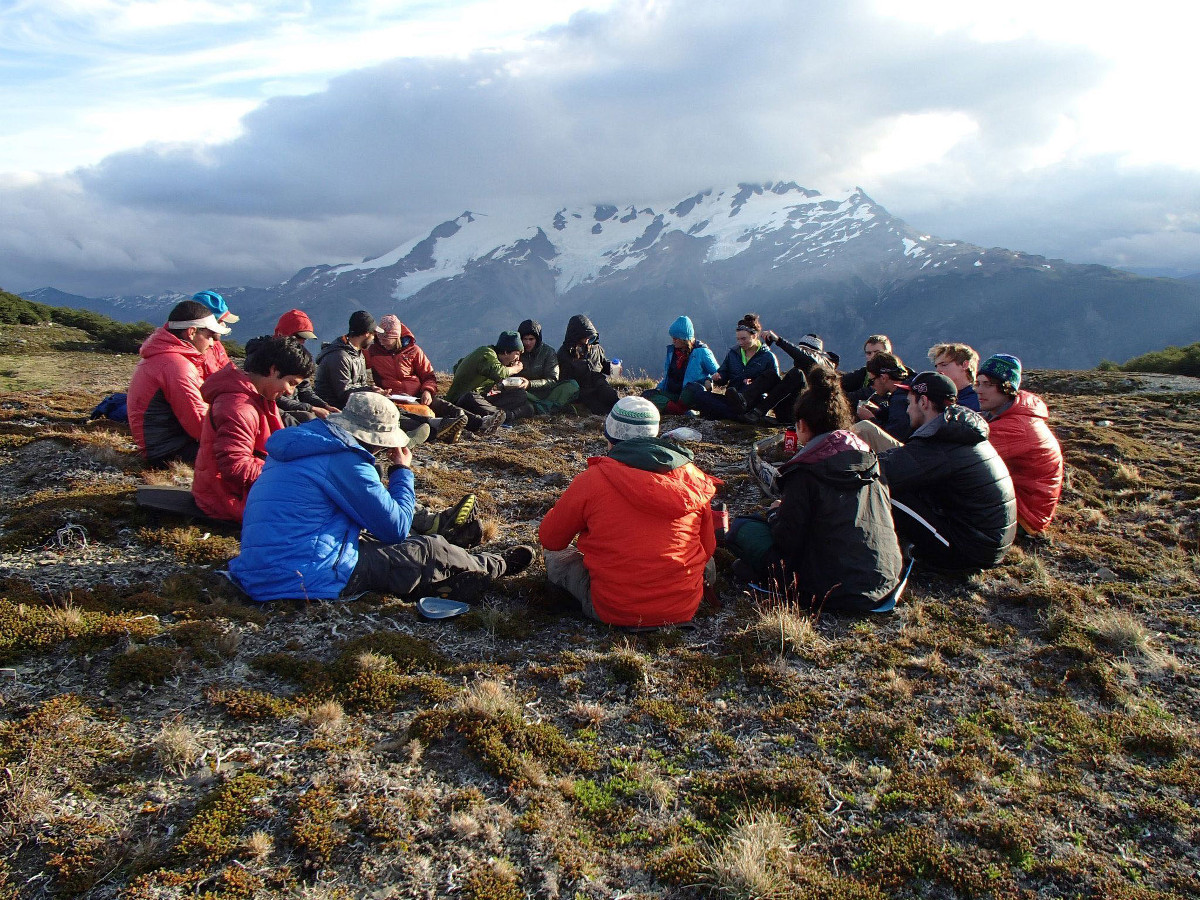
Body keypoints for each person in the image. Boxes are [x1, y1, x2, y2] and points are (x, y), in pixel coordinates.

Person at [228, 392, 534, 602]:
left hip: (262, 565)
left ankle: (452, 563)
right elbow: (395, 528)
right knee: (426, 548)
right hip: (305, 575)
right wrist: (401, 471)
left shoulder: (304, 445)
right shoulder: (344, 461)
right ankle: (493, 565)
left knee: (398, 544)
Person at [726, 369, 903, 613]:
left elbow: (787, 541)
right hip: (885, 580)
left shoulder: (806, 471)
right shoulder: (870, 459)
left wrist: (776, 513)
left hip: (828, 588)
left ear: (802, 425)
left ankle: (761, 574)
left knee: (743, 528)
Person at [538, 396, 719, 627]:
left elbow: (551, 539)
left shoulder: (592, 480)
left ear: (610, 436)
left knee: (555, 558)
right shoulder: (691, 476)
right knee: (706, 560)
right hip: (682, 609)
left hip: (613, 610)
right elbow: (708, 547)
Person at [878, 372, 1016, 571]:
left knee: (883, 490)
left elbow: (883, 471)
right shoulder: (956, 430)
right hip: (987, 542)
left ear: (924, 402)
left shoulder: (940, 441)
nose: (907, 410)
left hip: (971, 551)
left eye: (909, 403)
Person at [192, 336, 315, 523]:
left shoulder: (259, 396)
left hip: (235, 489)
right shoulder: (239, 407)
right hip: (226, 497)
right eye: (291, 382)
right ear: (274, 370)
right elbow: (236, 467)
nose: (290, 392)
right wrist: (288, 474)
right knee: (316, 508)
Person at [127, 299, 229, 466]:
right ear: (191, 332)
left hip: (162, 445)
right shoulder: (176, 365)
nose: (212, 343)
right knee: (249, 456)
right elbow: (199, 425)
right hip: (169, 451)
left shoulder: (165, 357)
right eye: (209, 336)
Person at [974, 354, 1063, 536]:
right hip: (1020, 505)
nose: (979, 390)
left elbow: (961, 455)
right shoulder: (1007, 415)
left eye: (988, 385)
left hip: (1024, 516)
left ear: (1007, 388)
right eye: (978, 383)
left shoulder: (1017, 427)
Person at [366, 315, 471, 443]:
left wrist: (427, 391)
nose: (382, 342)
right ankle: (444, 429)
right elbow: (357, 363)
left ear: (396, 337)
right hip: (393, 397)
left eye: (387, 339)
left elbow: (428, 375)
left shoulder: (413, 351)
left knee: (439, 404)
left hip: (416, 394)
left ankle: (474, 422)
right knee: (420, 412)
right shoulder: (373, 351)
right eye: (380, 338)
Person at [244, 309, 336, 426]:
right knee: (308, 419)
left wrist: (324, 406)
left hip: (295, 406)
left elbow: (305, 389)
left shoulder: (296, 357)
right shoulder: (261, 357)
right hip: (280, 410)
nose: (302, 342)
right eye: (299, 337)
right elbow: (273, 397)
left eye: (305, 338)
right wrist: (310, 408)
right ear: (282, 334)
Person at [685, 313, 779, 421]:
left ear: (754, 336)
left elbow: (774, 386)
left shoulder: (768, 357)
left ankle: (737, 415)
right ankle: (740, 417)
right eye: (738, 339)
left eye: (743, 339)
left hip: (754, 402)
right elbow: (723, 376)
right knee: (700, 396)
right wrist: (718, 378)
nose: (740, 342)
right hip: (732, 399)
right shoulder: (733, 354)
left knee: (712, 408)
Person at [745, 331, 839, 423]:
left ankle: (758, 412)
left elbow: (806, 357)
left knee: (797, 374)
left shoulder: (823, 363)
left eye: (805, 351)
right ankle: (744, 402)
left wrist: (778, 340)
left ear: (815, 353)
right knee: (772, 375)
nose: (800, 354)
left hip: (801, 413)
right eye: (801, 349)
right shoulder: (801, 369)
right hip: (787, 408)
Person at [446, 331, 530, 428]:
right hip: (462, 400)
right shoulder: (486, 354)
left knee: (519, 393)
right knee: (470, 397)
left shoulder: (497, 360)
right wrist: (515, 369)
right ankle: (506, 416)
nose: (518, 359)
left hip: (484, 397)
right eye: (517, 354)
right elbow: (499, 373)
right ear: (506, 352)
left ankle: (495, 414)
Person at [642, 315, 719, 414]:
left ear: (685, 338)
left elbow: (718, 373)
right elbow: (668, 376)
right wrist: (658, 389)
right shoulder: (672, 352)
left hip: (690, 393)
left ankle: (672, 408)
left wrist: (709, 380)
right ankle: (681, 411)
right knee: (647, 395)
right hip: (673, 393)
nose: (673, 340)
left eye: (676, 338)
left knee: (693, 388)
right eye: (672, 337)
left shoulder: (702, 352)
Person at [314, 311, 384, 410]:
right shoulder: (339, 356)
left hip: (352, 406)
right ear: (367, 334)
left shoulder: (357, 353)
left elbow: (361, 385)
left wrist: (373, 392)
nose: (373, 339)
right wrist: (370, 391)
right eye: (374, 334)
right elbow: (343, 394)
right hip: (335, 409)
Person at [850, 351, 915, 451]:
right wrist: (879, 412)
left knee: (863, 428)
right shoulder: (907, 389)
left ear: (884, 378)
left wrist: (871, 419)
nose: (871, 386)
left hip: (905, 453)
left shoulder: (901, 399)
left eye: (872, 381)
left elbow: (894, 435)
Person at [556, 314, 619, 415]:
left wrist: (612, 368)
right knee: (602, 410)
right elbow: (564, 381)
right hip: (582, 391)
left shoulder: (596, 348)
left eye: (589, 338)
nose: (587, 341)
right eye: (583, 337)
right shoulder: (565, 354)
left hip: (599, 383)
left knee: (613, 399)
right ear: (575, 336)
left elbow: (603, 364)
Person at [517, 319, 579, 411]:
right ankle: (552, 407)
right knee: (516, 395)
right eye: (525, 339)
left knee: (571, 385)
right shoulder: (516, 352)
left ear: (537, 339)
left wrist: (530, 384)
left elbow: (552, 380)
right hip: (525, 393)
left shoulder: (548, 352)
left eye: (531, 339)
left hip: (547, 392)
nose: (528, 343)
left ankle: (541, 407)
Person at [191, 290, 239, 377]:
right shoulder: (185, 356)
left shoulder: (217, 346)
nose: (224, 325)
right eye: (220, 321)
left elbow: (230, 371)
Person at [928, 342, 981, 411]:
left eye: (944, 365)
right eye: (936, 366)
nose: (938, 371)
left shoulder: (980, 399)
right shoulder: (937, 400)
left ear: (964, 365)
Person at [841, 334, 892, 402]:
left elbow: (869, 393)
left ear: (889, 353)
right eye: (869, 353)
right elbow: (842, 380)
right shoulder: (863, 373)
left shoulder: (897, 375)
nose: (873, 356)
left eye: (877, 352)